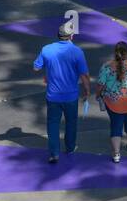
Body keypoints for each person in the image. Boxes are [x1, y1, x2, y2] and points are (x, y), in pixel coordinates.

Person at [34, 23, 91, 164]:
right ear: (71, 36)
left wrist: (49, 68)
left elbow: (36, 67)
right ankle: (70, 147)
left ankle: (54, 153)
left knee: (53, 124)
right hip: (71, 96)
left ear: (58, 35)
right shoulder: (77, 51)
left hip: (53, 96)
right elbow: (84, 75)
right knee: (71, 123)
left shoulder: (46, 49)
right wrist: (87, 90)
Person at [94, 40, 127, 163]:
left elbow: (100, 84)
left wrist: (97, 95)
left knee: (116, 125)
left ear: (115, 52)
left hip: (114, 103)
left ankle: (116, 154)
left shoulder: (106, 66)